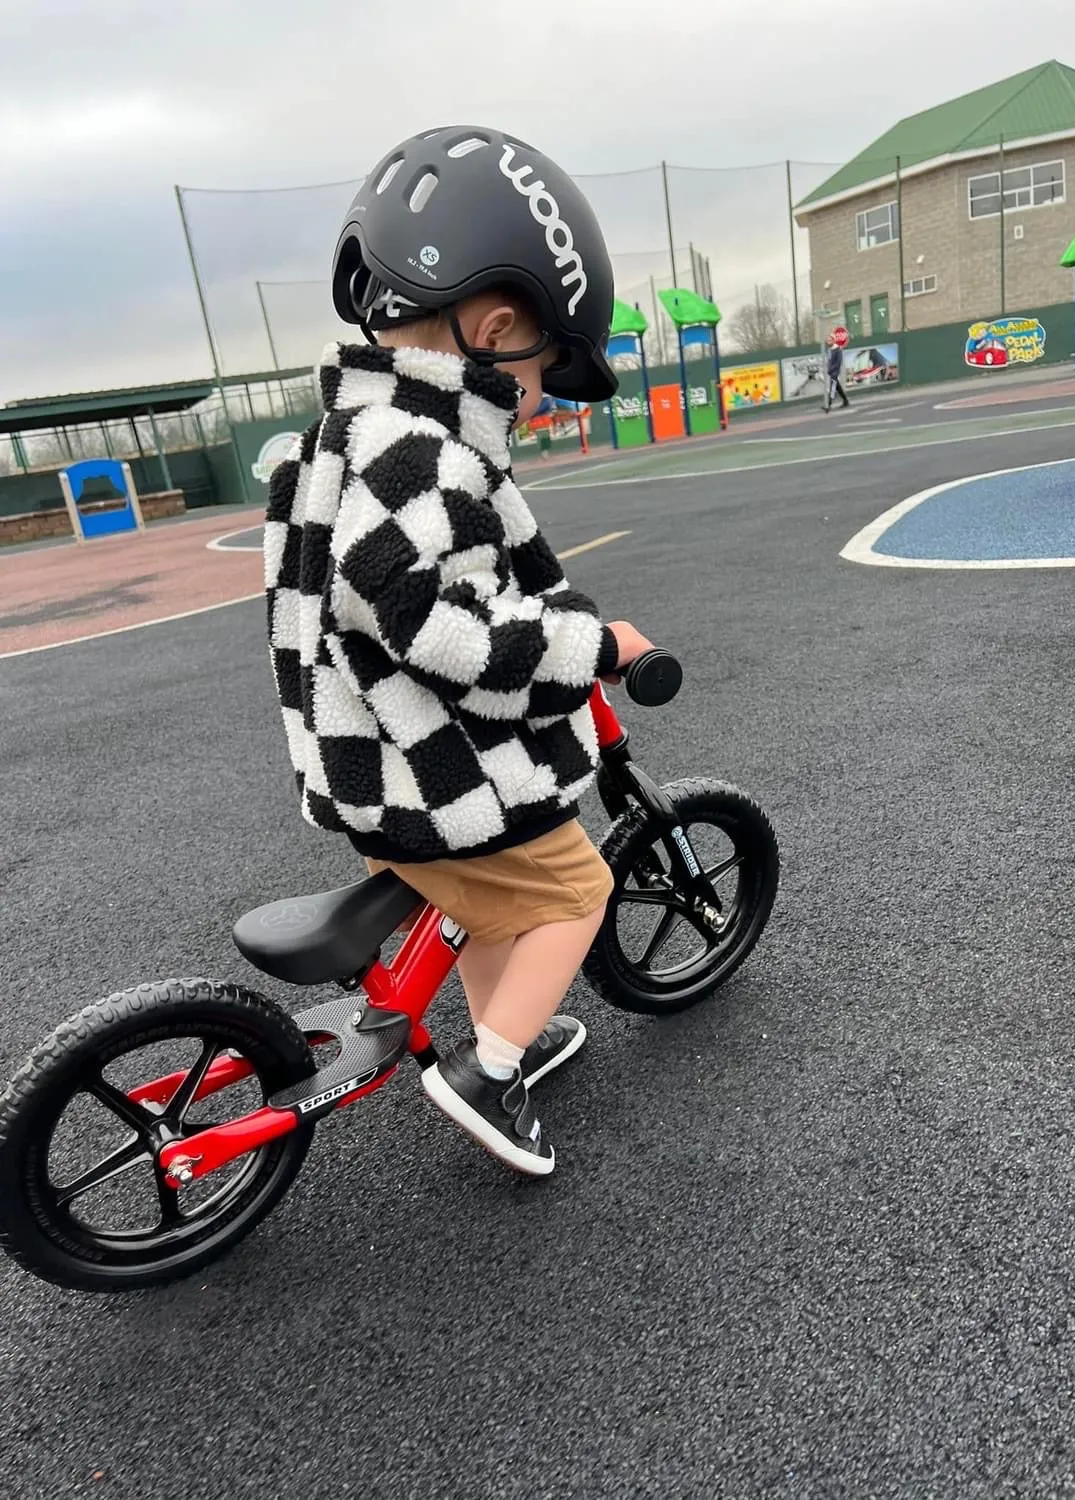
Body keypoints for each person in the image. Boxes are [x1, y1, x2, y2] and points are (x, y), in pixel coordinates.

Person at [263, 126, 654, 1178]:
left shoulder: (344, 433)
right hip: (434, 778)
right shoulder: (424, 451)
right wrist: (584, 645)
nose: (543, 396)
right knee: (574, 889)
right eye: (547, 365)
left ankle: (505, 1044)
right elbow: (436, 626)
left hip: (366, 763)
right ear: (494, 325)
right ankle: (488, 1070)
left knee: (498, 904)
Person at [824, 338, 850, 411]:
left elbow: (838, 362)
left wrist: (832, 369)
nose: (828, 343)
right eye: (827, 341)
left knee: (832, 387)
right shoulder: (830, 350)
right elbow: (829, 360)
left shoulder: (837, 350)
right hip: (831, 371)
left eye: (829, 341)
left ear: (833, 341)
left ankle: (829, 404)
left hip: (835, 372)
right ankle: (845, 400)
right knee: (837, 387)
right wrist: (828, 369)